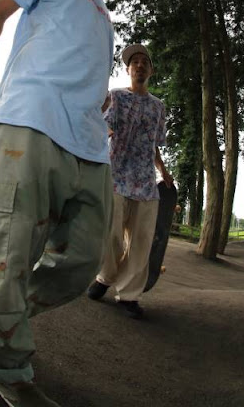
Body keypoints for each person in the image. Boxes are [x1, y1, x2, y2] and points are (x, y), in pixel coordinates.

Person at [0, 0, 149, 407]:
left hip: (89, 144)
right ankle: (4, 363)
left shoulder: (105, 16)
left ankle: (4, 311)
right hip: (30, 117)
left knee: (83, 258)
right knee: (5, 248)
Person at [87, 44, 173, 319]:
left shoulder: (158, 107)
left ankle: (129, 295)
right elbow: (105, 129)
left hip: (145, 182)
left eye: (144, 62)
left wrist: (163, 171)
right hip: (117, 175)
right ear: (128, 70)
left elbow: (154, 144)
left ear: (151, 71)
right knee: (111, 234)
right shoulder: (116, 97)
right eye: (134, 62)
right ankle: (105, 277)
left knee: (141, 242)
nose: (139, 65)